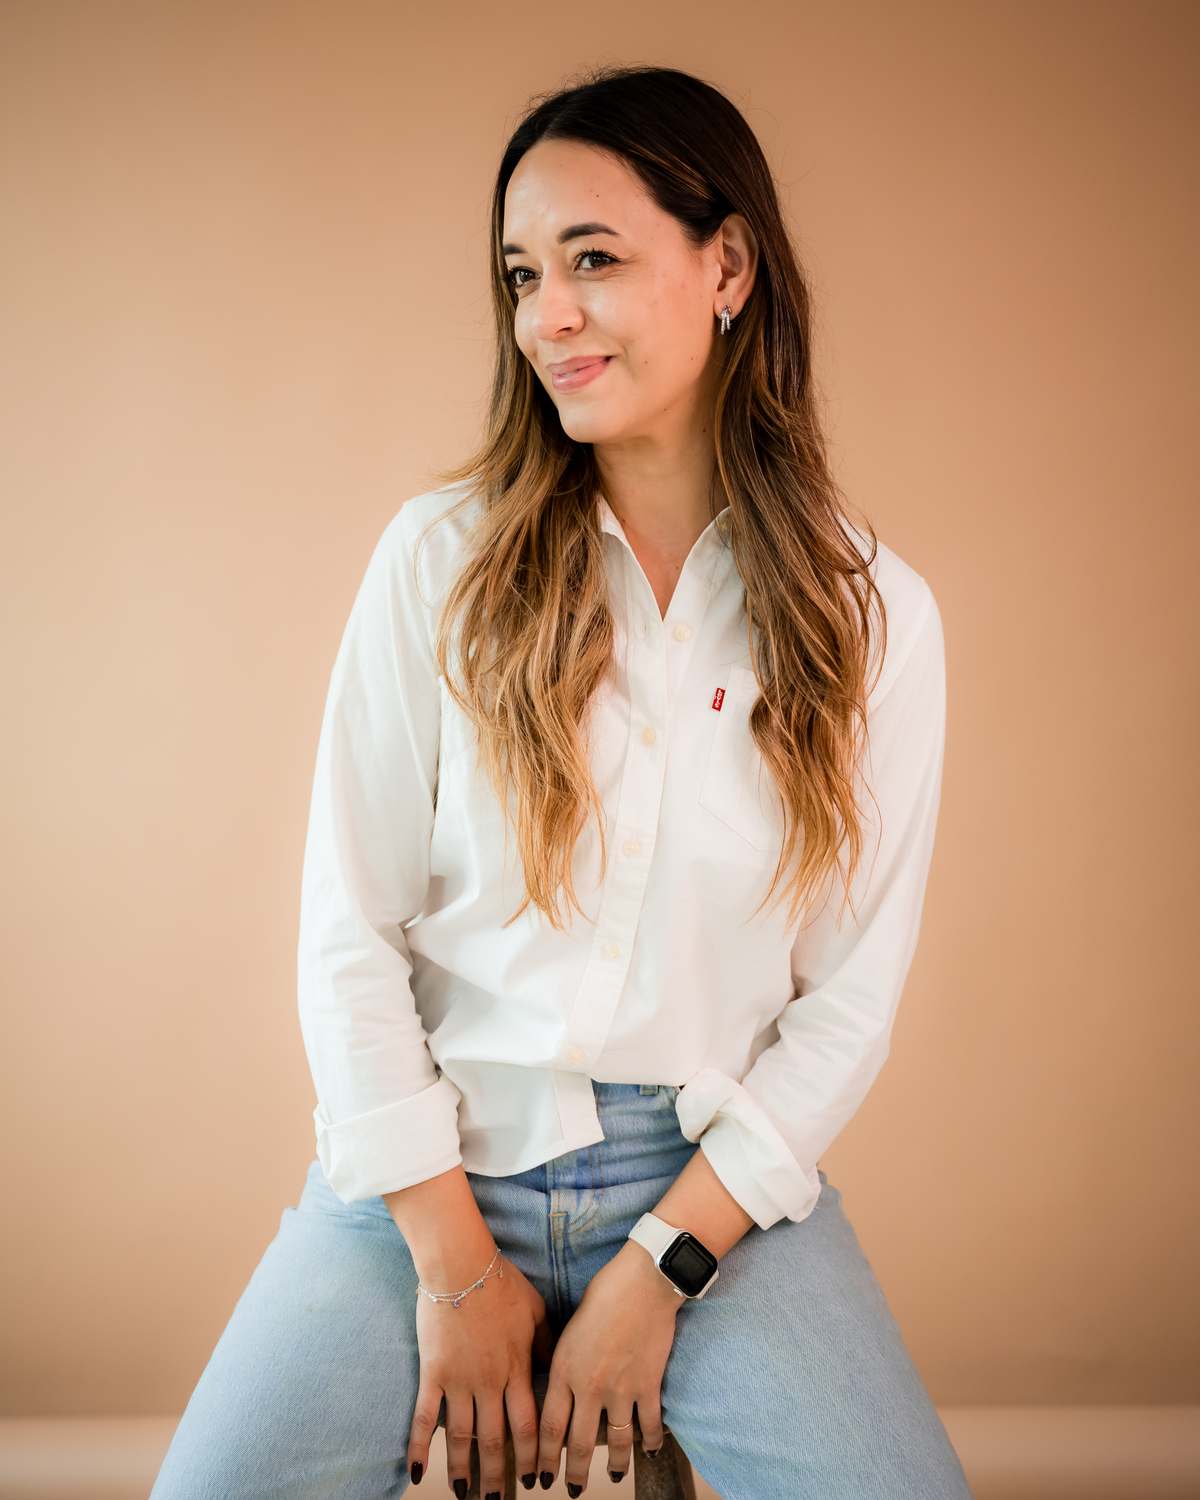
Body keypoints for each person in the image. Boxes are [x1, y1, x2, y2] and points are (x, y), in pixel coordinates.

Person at [152, 66, 971, 1500]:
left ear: (729, 269)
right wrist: (454, 1268)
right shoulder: (439, 563)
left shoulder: (875, 617)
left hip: (710, 1187)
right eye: (524, 274)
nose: (547, 316)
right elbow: (350, 935)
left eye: (593, 259)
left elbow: (845, 1007)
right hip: (431, 1164)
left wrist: (664, 1267)